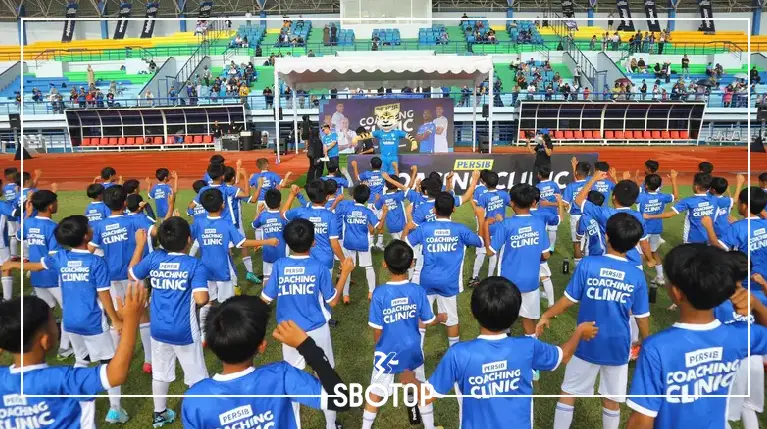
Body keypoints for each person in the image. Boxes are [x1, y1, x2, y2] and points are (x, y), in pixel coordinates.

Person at [405, 276, 598, 429]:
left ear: (473, 314)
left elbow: (425, 396)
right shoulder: (527, 347)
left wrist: (409, 377)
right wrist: (579, 332)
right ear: (515, 316)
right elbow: (563, 356)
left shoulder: (459, 354)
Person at [625, 245, 767, 429]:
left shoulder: (657, 348)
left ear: (676, 292)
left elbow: (641, 420)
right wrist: (757, 306)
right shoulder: (738, 336)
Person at [541, 213, 651, 429]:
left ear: (606, 236)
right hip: (618, 344)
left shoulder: (588, 264)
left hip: (586, 339)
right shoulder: (636, 274)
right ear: (635, 244)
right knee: (611, 399)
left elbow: (568, 300)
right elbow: (641, 316)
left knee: (569, 391)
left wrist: (546, 314)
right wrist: (646, 341)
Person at [181, 297, 350, 427]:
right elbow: (341, 399)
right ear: (262, 346)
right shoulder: (281, 376)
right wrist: (307, 346)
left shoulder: (194, 399)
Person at [0, 283, 146, 428]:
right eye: (53, 322)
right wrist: (131, 321)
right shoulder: (64, 380)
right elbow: (116, 374)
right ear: (45, 340)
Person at [127, 217, 209, 427]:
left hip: (158, 329)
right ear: (189, 240)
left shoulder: (154, 258)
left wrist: (138, 246)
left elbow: (132, 273)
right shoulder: (194, 264)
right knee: (196, 375)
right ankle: (200, 416)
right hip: (184, 330)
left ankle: (159, 414)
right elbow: (201, 299)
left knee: (161, 373)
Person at [362, 240, 446, 429]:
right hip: (412, 349)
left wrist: (381, 348)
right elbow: (428, 319)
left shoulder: (379, 293)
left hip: (386, 351)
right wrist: (440, 318)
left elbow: (378, 331)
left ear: (384, 264)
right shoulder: (417, 291)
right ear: (411, 264)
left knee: (376, 390)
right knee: (419, 386)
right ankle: (430, 427)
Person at [191, 187, 278, 342]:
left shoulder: (198, 222)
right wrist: (266, 241)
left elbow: (190, 237)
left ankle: (204, 336)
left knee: (207, 301)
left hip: (204, 268)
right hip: (223, 269)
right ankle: (226, 333)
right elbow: (242, 243)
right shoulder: (227, 224)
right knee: (226, 303)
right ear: (222, 205)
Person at [406, 191, 484, 349]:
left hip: (426, 279)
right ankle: (453, 352)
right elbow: (481, 242)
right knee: (452, 318)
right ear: (454, 210)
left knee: (422, 314)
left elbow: (406, 244)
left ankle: (417, 351)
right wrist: (481, 219)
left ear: (434, 209)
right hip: (449, 282)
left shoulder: (425, 228)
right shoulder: (460, 229)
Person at [485, 183, 551, 339]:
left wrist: (484, 225)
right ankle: (532, 352)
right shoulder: (538, 223)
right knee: (528, 322)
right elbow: (546, 255)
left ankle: (505, 348)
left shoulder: (507, 224)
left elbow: (490, 251)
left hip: (508, 282)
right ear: (532, 202)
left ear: (512, 203)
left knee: (502, 318)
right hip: (531, 281)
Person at [280, 180, 345, 276]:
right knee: (324, 289)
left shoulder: (301, 212)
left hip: (306, 259)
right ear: (327, 197)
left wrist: (292, 195)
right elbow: (334, 244)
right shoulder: (330, 216)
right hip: (325, 260)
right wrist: (343, 261)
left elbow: (283, 214)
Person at [336, 184, 387, 302]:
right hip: (363, 243)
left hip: (348, 242)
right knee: (369, 267)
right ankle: (371, 293)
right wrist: (384, 213)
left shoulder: (346, 208)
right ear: (368, 198)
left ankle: (346, 296)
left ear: (353, 195)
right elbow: (379, 227)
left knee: (347, 267)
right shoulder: (367, 211)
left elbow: (337, 209)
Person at [644, 172, 716, 244]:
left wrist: (649, 216)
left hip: (692, 238)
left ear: (696, 187)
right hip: (709, 236)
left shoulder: (688, 201)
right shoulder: (714, 199)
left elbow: (669, 214)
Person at [636, 171, 678, 286]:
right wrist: (673, 180)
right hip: (656, 229)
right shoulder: (663, 196)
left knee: (639, 254)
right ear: (659, 186)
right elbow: (676, 196)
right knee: (654, 252)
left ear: (646, 185)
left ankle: (638, 279)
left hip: (643, 230)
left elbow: (626, 196)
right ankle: (660, 277)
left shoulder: (641, 197)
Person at [469, 171, 510, 287]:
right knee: (494, 253)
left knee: (481, 252)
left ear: (485, 183)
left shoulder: (483, 197)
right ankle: (491, 278)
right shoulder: (504, 194)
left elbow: (479, 212)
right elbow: (513, 205)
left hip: (486, 228)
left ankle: (474, 277)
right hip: (500, 229)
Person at [351, 157, 386, 249]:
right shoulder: (383, 174)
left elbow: (357, 177)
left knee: (370, 223)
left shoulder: (367, 174)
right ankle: (379, 243)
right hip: (380, 202)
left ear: (370, 165)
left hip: (370, 202)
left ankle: (370, 244)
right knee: (380, 221)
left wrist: (355, 166)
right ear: (381, 165)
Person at [563, 160, 591, 267]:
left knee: (577, 242)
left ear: (576, 173)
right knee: (590, 239)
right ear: (588, 173)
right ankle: (589, 265)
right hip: (589, 214)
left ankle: (578, 268)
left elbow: (565, 203)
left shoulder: (570, 186)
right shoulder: (590, 183)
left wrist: (567, 208)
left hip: (576, 216)